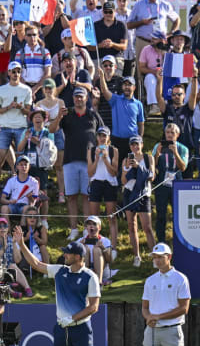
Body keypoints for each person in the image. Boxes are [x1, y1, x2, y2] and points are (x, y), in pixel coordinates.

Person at [50, 87, 103, 241]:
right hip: (70, 160)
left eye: (81, 97)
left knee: (87, 196)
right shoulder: (67, 115)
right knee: (72, 196)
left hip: (89, 162)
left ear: (86, 98)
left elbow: (103, 134)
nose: (79, 99)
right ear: (73, 99)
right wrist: (59, 116)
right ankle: (73, 229)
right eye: (76, 97)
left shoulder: (93, 115)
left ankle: (87, 230)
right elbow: (52, 130)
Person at [0, 61, 32, 201]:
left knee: (22, 159)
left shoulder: (26, 90)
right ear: (8, 73)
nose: (16, 74)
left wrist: (20, 107)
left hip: (20, 127)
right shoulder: (2, 89)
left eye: (18, 71)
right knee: (0, 157)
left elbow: (29, 112)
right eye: (13, 71)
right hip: (6, 127)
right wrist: (8, 107)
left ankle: (22, 189)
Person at [122, 135, 156, 267]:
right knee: (132, 225)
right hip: (130, 193)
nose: (135, 147)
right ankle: (136, 256)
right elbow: (124, 181)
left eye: (137, 144)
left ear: (142, 145)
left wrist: (138, 167)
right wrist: (128, 168)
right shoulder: (127, 159)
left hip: (143, 194)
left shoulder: (148, 158)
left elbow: (151, 176)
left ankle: (154, 256)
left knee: (147, 227)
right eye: (132, 145)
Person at [151, 123, 188, 243]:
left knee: (177, 214)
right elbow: (153, 166)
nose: (170, 135)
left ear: (177, 135)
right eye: (168, 132)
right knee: (161, 214)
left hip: (177, 184)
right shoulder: (158, 145)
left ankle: (177, 240)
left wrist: (176, 153)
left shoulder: (183, 148)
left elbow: (183, 168)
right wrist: (157, 154)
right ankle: (161, 241)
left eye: (172, 133)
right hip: (162, 183)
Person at [98, 73, 145, 165]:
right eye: (125, 85)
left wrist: (140, 138)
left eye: (129, 85)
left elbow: (141, 123)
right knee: (116, 165)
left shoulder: (138, 104)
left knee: (131, 165)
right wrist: (102, 76)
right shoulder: (116, 99)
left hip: (132, 142)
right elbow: (104, 90)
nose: (127, 87)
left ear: (134, 87)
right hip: (117, 141)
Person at [86, 126, 119, 249]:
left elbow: (114, 172)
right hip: (96, 183)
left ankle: (113, 247)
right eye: (100, 135)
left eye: (104, 136)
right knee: (94, 218)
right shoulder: (91, 150)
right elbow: (90, 172)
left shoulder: (113, 150)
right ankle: (94, 245)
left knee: (111, 216)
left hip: (109, 184)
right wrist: (96, 159)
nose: (102, 138)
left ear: (108, 138)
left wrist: (105, 159)